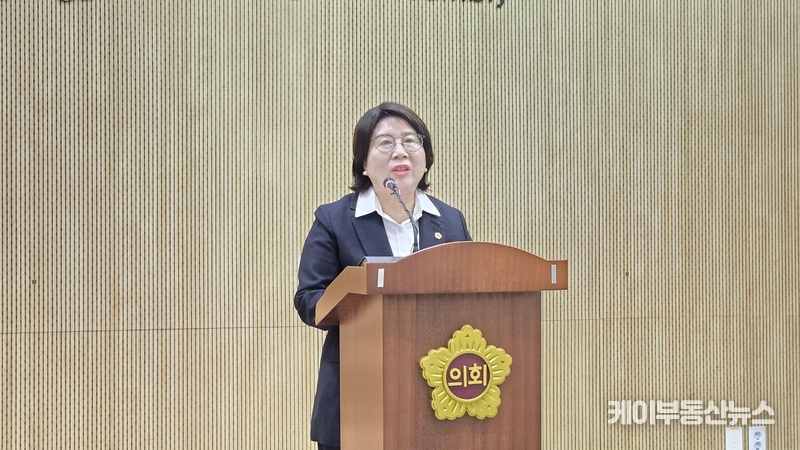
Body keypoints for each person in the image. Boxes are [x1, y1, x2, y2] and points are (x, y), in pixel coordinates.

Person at [293, 102, 472, 450]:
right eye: (385, 143)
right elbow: (309, 300)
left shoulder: (450, 221)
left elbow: (472, 295)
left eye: (410, 140)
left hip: (437, 393)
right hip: (358, 392)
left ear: (425, 157)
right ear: (364, 161)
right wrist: (360, 294)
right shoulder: (334, 220)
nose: (400, 151)